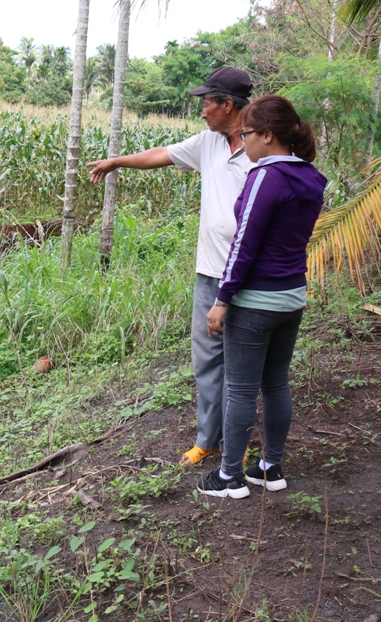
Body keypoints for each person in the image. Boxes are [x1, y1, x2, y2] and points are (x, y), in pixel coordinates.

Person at [87, 67, 254, 467]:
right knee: (207, 359)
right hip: (209, 272)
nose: (202, 112)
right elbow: (162, 154)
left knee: (242, 364)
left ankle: (237, 442)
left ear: (227, 105)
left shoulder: (262, 145)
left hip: (249, 273)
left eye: (207, 104)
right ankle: (208, 440)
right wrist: (117, 162)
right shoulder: (209, 143)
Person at [196, 95, 327, 499]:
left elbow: (244, 244)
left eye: (247, 134)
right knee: (275, 383)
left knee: (239, 388)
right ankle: (271, 467)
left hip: (255, 301)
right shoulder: (311, 178)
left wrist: (222, 299)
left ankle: (230, 476)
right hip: (292, 297)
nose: (244, 141)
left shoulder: (264, 177)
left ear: (268, 136)